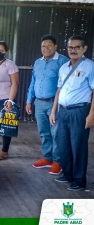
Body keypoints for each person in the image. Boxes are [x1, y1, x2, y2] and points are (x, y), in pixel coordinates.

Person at [50, 35, 94, 191]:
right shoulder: (64, 68)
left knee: (78, 146)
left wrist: (91, 114)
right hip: (63, 110)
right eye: (70, 47)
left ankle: (79, 179)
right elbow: (59, 90)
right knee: (63, 144)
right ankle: (68, 174)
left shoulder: (90, 66)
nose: (73, 50)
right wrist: (54, 111)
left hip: (80, 111)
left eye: (77, 47)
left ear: (84, 49)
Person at [26, 35, 69, 175]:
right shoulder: (38, 62)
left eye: (49, 45)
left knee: (56, 133)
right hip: (39, 102)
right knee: (44, 132)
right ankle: (48, 158)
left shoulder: (63, 61)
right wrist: (29, 101)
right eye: (43, 46)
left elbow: (66, 85)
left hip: (54, 104)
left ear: (55, 46)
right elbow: (33, 83)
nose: (46, 48)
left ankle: (58, 161)